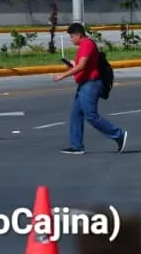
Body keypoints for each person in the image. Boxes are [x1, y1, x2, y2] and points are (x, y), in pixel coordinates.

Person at [54, 22, 128, 155]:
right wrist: (72, 64)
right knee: (76, 115)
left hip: (90, 84)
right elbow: (83, 64)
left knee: (91, 115)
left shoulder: (87, 44)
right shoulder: (85, 45)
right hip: (84, 84)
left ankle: (118, 134)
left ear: (79, 35)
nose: (71, 40)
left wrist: (63, 75)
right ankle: (76, 146)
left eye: (72, 37)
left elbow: (82, 66)